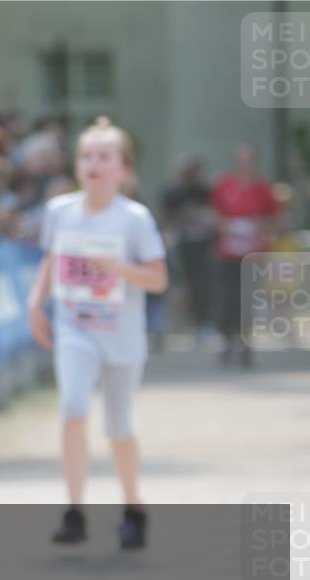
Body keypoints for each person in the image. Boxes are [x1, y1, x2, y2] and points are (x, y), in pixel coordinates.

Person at [26, 117, 168, 550]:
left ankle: (133, 507)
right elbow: (52, 259)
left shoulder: (134, 219)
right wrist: (36, 302)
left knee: (118, 426)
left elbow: (158, 279)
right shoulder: (60, 211)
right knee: (73, 408)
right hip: (75, 327)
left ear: (123, 169)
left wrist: (119, 268)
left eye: (104, 156)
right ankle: (74, 511)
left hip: (122, 334)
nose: (93, 163)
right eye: (86, 155)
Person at [210, 144, 280, 367]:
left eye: (250, 161)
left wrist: (260, 225)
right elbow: (214, 213)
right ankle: (226, 338)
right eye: (242, 161)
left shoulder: (263, 189)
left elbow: (275, 220)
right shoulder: (225, 185)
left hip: (254, 255)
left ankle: (245, 341)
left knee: (248, 300)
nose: (246, 165)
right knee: (227, 298)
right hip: (228, 253)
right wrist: (226, 226)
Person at [161, 157, 216, 344]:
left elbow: (213, 215)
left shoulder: (205, 191)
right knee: (180, 287)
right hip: (180, 246)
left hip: (203, 246)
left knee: (204, 285)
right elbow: (165, 217)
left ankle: (203, 325)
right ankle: (180, 327)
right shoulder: (173, 192)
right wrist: (183, 216)